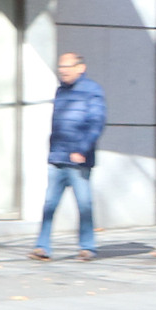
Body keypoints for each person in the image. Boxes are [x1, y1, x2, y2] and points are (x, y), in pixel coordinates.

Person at [33, 51, 106, 261]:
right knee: (49, 205)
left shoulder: (93, 91)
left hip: (78, 161)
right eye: (61, 67)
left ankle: (87, 247)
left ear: (80, 68)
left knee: (84, 205)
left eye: (67, 66)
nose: (62, 71)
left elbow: (96, 122)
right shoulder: (60, 92)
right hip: (57, 158)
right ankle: (42, 247)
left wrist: (82, 149)